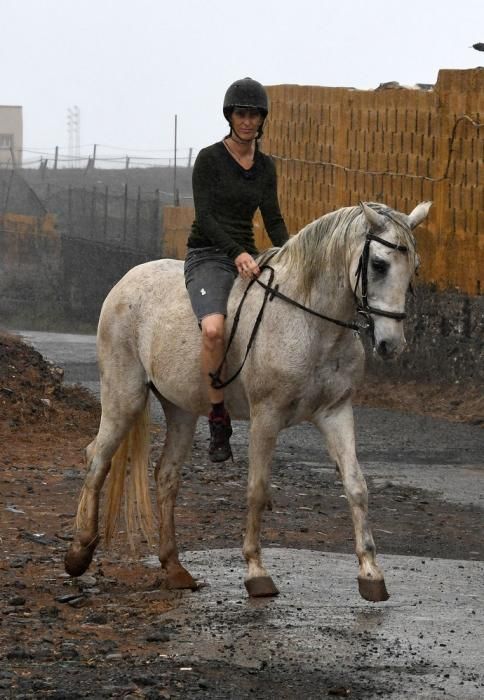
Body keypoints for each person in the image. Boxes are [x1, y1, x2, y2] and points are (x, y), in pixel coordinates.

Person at [184, 77, 289, 463]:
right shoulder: (209, 159)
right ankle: (217, 416)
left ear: (263, 119)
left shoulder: (265, 167)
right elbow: (206, 217)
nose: (247, 121)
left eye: (254, 115)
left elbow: (273, 219)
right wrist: (236, 253)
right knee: (214, 329)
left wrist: (289, 254)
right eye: (241, 114)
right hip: (210, 253)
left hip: (249, 254)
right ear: (230, 116)